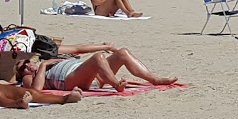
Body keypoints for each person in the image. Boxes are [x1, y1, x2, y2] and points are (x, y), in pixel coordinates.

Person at [15, 49, 177, 95]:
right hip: (70, 80)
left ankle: (154, 79)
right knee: (98, 57)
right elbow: (35, 91)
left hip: (89, 74)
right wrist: (43, 66)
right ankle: (116, 84)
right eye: (23, 68)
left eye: (27, 62)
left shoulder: (45, 61)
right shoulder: (30, 78)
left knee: (122, 53)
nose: (27, 66)